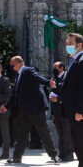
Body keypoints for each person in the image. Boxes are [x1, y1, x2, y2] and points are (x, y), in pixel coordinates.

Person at [4, 55, 59, 164]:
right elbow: (15, 95)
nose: (12, 67)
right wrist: (6, 106)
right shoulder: (18, 76)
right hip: (23, 110)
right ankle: (16, 157)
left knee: (44, 132)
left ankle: (54, 156)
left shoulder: (28, 70)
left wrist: (48, 83)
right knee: (21, 134)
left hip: (35, 109)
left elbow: (38, 78)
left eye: (12, 64)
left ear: (16, 63)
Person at [59, 32, 83, 164]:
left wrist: (80, 110)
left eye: (69, 43)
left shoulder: (81, 61)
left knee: (80, 144)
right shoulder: (74, 61)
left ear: (79, 45)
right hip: (71, 111)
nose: (66, 45)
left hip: (78, 112)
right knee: (77, 144)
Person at [48, 60, 73, 162]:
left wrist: (58, 99)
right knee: (60, 133)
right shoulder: (55, 78)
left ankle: (69, 154)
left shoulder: (67, 77)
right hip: (57, 111)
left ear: (61, 68)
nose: (54, 69)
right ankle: (62, 153)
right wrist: (53, 113)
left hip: (65, 110)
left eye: (56, 67)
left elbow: (69, 93)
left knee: (67, 133)